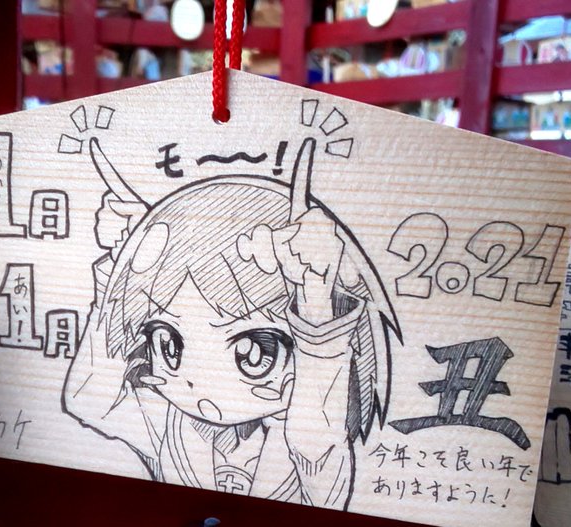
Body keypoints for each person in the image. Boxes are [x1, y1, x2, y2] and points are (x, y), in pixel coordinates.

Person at [63, 136, 400, 510]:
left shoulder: (308, 443)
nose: (204, 386)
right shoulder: (169, 422)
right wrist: (119, 272)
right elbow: (90, 398)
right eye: (169, 345)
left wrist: (317, 303)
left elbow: (318, 442)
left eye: (255, 354)